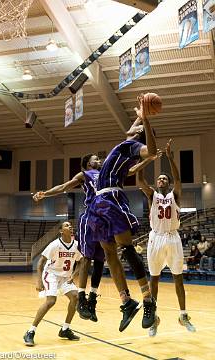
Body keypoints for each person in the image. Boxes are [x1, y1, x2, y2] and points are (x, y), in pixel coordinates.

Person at [88, 94, 157, 332]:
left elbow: (151, 149)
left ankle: (148, 300)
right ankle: (127, 302)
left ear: (137, 137)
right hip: (98, 203)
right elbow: (133, 135)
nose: (131, 129)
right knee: (109, 255)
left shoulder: (131, 147)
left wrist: (145, 120)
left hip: (112, 198)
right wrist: (140, 117)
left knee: (126, 249)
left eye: (135, 129)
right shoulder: (120, 152)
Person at [33, 154, 105, 323]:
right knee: (51, 300)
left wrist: (145, 159)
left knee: (101, 261)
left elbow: (128, 171)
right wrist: (45, 194)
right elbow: (64, 186)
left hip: (105, 217)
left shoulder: (106, 173)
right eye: (96, 159)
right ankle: (32, 329)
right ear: (88, 164)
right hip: (91, 218)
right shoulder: (84, 175)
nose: (100, 160)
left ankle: (87, 305)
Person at [137, 139, 196, 337]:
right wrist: (145, 159)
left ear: (168, 183)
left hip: (173, 238)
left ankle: (183, 315)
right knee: (154, 279)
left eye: (164, 179)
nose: (161, 180)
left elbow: (178, 180)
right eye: (159, 179)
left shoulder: (174, 195)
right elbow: (139, 181)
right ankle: (153, 318)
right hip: (156, 238)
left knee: (178, 278)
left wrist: (170, 158)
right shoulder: (152, 195)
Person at [23, 221, 81, 346]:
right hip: (51, 275)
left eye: (70, 225)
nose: (70, 226)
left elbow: (81, 262)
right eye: (66, 225)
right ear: (61, 231)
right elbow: (40, 262)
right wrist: (39, 281)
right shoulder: (54, 244)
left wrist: (73, 275)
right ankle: (30, 332)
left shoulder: (76, 245)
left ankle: (65, 329)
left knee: (75, 296)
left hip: (65, 277)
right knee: (51, 301)